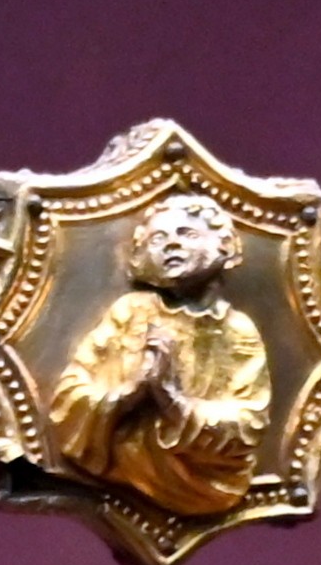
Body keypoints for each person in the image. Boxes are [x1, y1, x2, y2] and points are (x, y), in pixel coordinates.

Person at [40, 193, 273, 518]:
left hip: (205, 484)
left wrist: (172, 400)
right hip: (125, 462)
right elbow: (70, 393)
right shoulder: (130, 312)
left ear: (225, 244)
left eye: (187, 233)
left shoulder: (237, 331)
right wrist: (129, 395)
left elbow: (250, 422)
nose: (172, 244)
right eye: (158, 238)